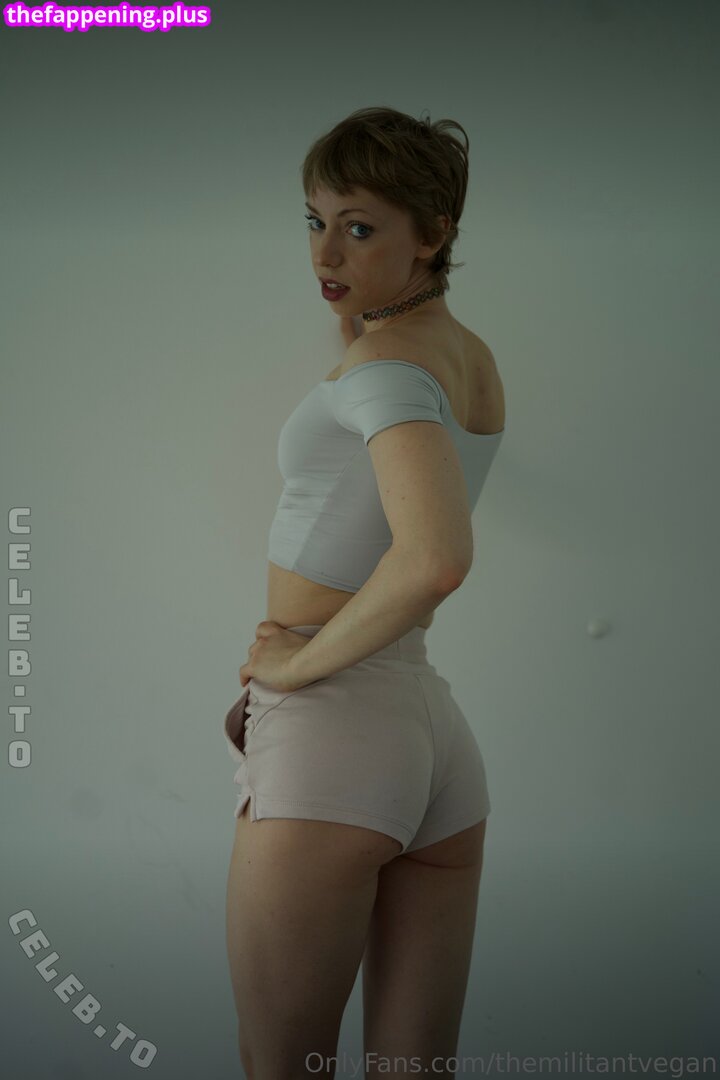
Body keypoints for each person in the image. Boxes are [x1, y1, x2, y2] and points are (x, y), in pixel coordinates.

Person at [223, 106, 506, 1079]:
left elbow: (434, 557)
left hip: (334, 733)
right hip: (430, 737)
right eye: (316, 221)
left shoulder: (384, 370)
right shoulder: (460, 356)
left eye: (359, 226)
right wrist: (359, 314)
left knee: (280, 1066)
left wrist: (294, 666)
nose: (325, 252)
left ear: (434, 233)